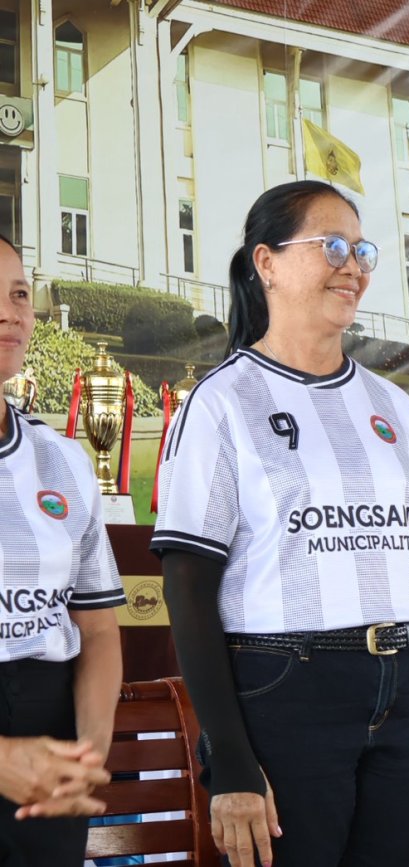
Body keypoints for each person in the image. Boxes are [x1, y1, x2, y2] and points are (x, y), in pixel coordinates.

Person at [151, 180, 409, 867]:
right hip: (286, 691)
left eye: (361, 250)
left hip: (408, 691)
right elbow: (187, 585)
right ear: (266, 263)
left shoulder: (393, 405)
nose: (352, 266)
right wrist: (230, 758)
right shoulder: (221, 402)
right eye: (331, 246)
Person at [0, 233, 123, 865]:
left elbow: (96, 629)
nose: (10, 314)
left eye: (19, 294)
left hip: (52, 756)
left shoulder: (62, 460)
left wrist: (87, 758)